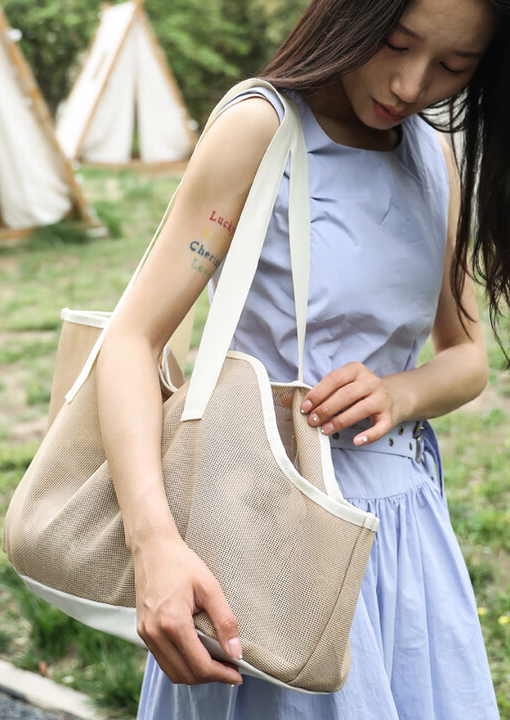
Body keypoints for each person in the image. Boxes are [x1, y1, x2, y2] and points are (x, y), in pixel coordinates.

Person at [95, 0, 507, 717]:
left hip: (402, 529)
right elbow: (132, 339)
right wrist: (154, 546)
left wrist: (400, 393)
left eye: (452, 66)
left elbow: (468, 357)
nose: (411, 86)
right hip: (265, 526)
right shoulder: (261, 128)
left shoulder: (433, 155)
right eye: (396, 43)